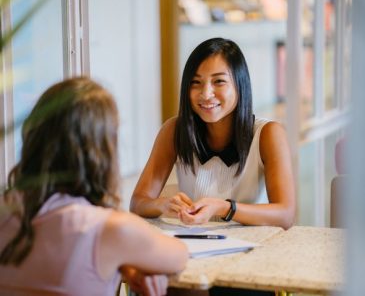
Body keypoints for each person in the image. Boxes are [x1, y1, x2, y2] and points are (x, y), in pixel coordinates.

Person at [0, 77, 188, 296]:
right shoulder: (111, 228)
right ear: (101, 151)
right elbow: (179, 256)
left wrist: (121, 264)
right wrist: (124, 261)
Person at [130, 37, 295, 229]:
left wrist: (224, 208)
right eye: (196, 82)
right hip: (192, 245)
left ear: (240, 85)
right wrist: (163, 204)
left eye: (219, 81)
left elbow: (286, 215)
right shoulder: (173, 130)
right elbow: (137, 203)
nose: (206, 94)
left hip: (253, 248)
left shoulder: (268, 134)